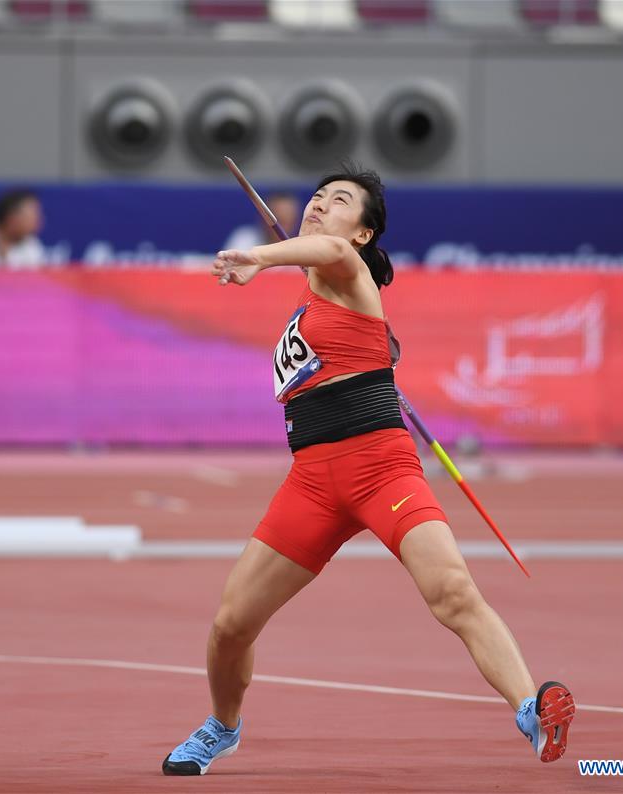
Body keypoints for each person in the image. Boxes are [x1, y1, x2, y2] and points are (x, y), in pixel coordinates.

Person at [162, 165, 575, 776]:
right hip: (311, 482)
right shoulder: (314, 296)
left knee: (453, 591)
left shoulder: (347, 269)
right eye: (318, 197)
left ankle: (530, 710)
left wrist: (258, 256)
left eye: (340, 201)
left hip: (383, 470)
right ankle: (221, 728)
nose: (321, 206)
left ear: (363, 234)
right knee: (230, 626)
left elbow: (325, 250)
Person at [223, 191, 300, 250]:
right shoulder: (244, 239)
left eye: (286, 221)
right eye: (278, 220)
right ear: (263, 218)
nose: (282, 228)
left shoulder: (303, 248)